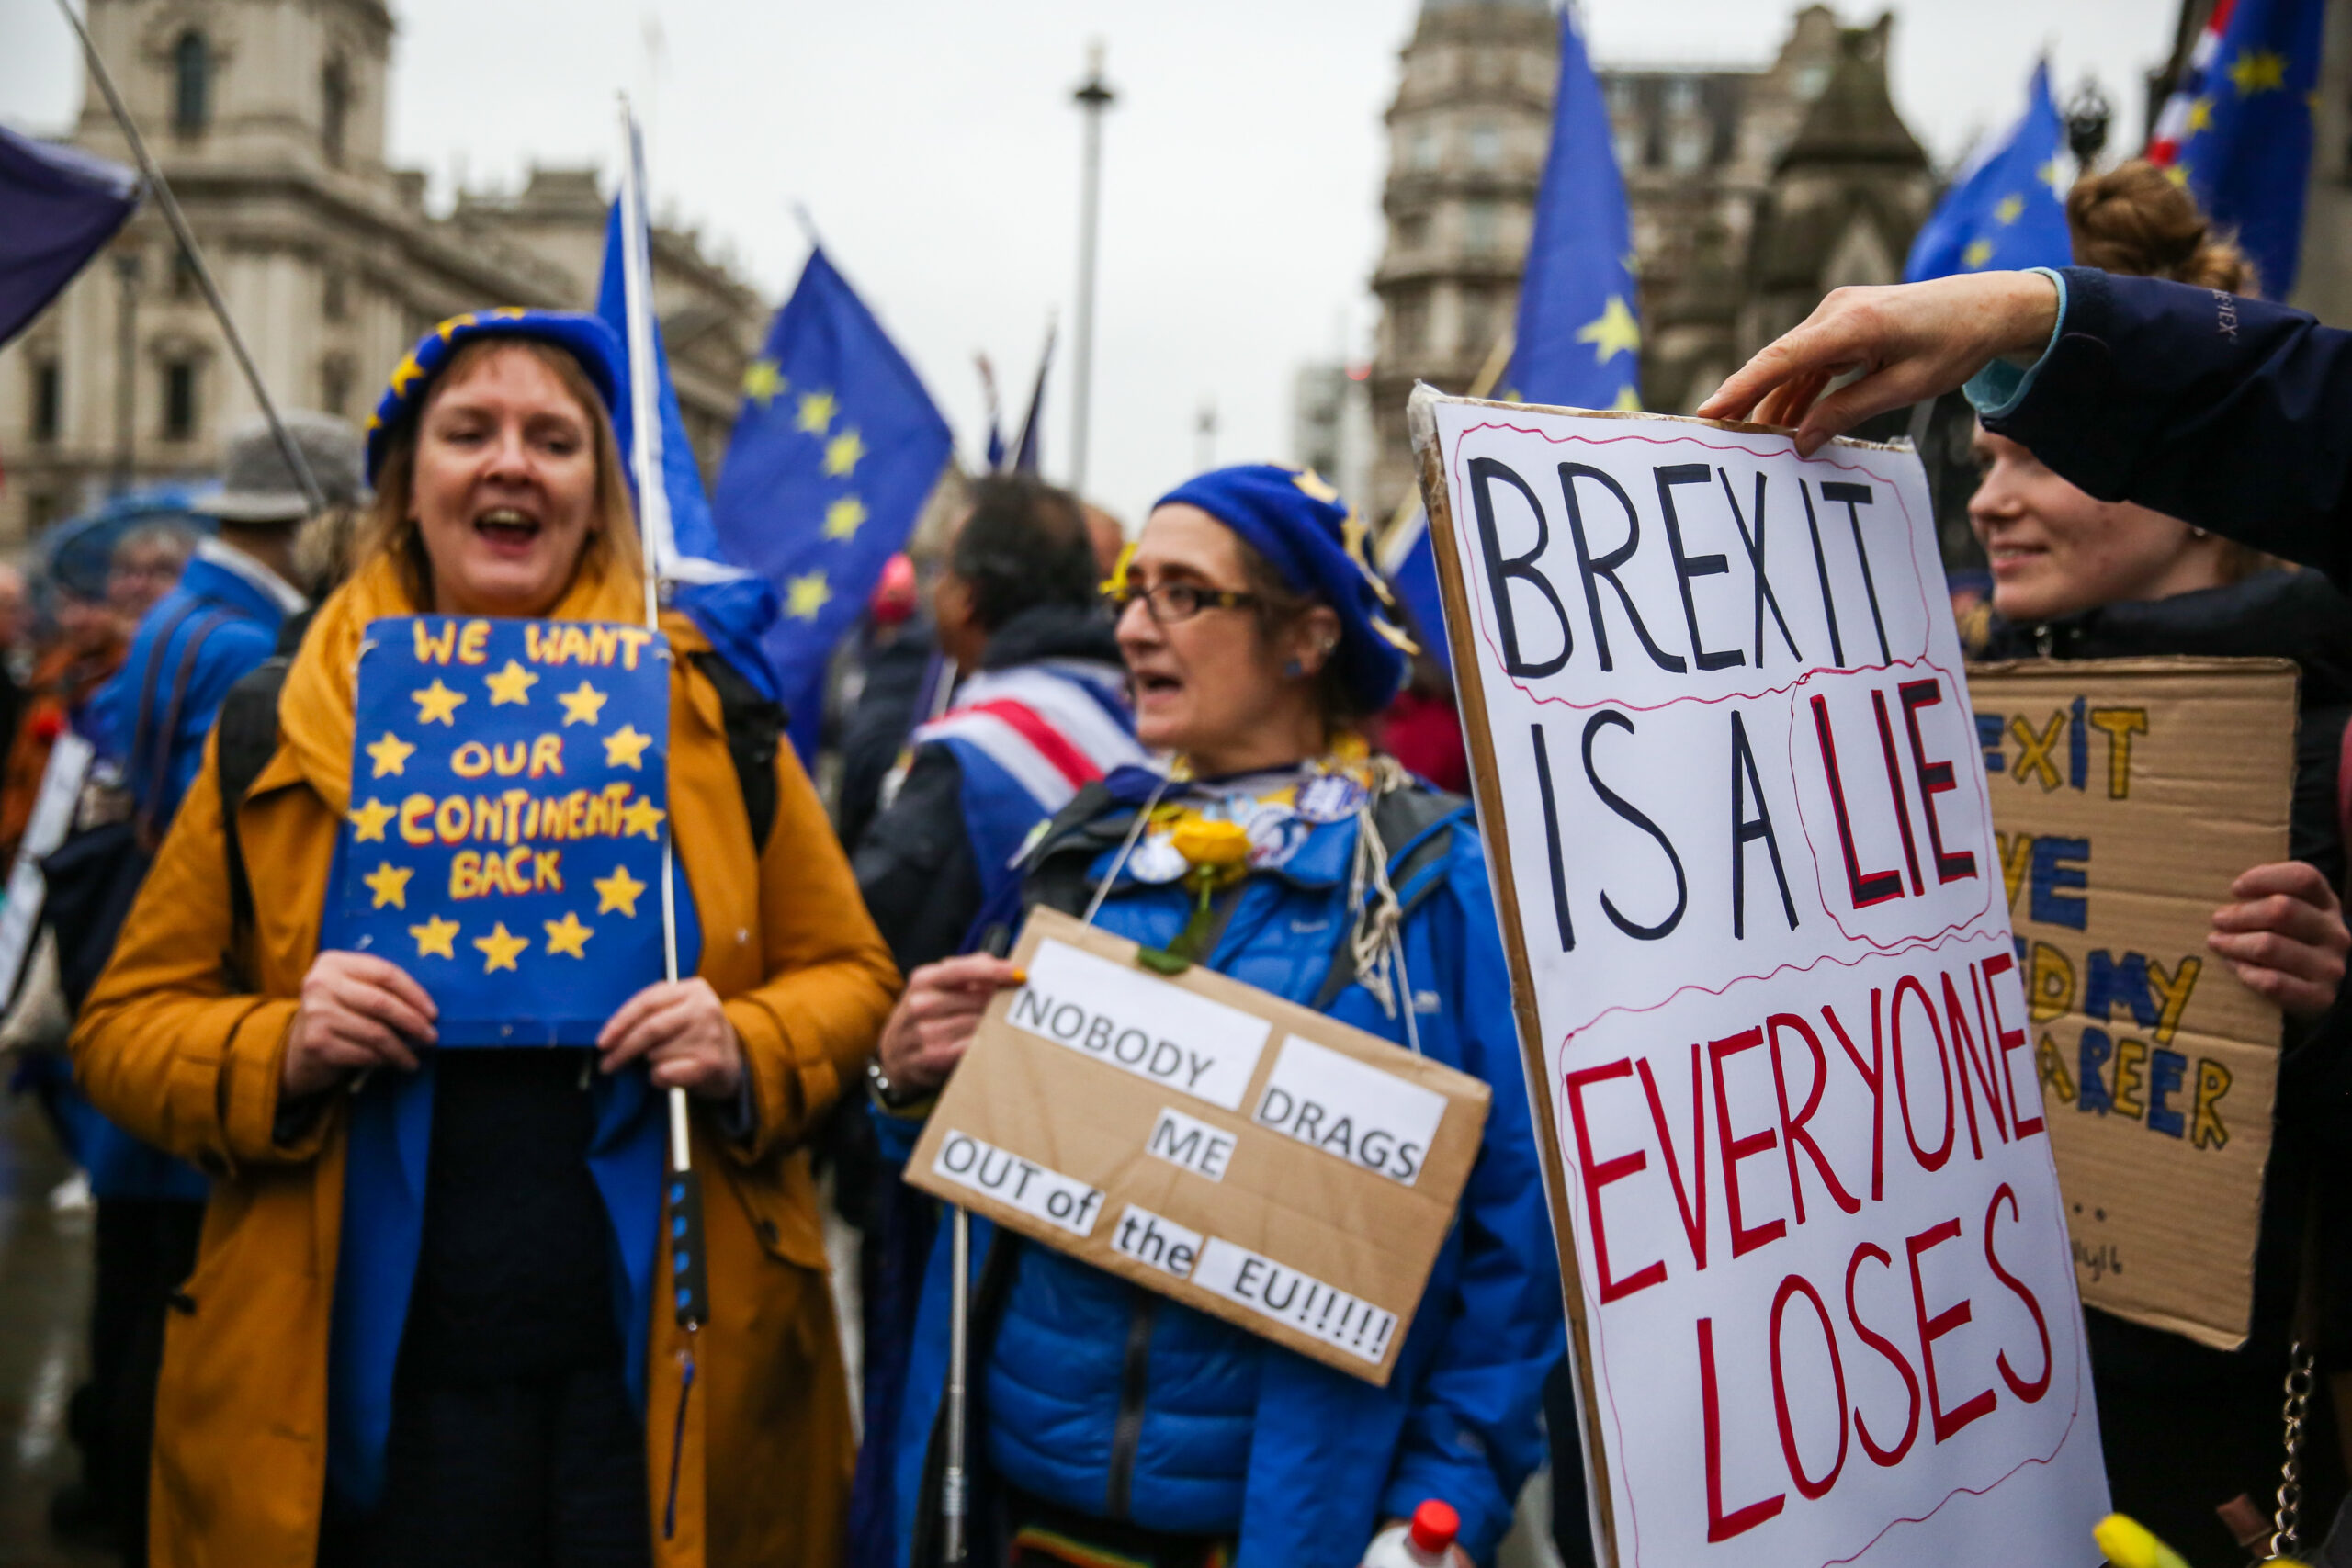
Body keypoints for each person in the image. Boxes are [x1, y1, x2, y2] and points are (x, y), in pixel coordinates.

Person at [70, 309, 899, 1567]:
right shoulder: (280, 717)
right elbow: (124, 1028)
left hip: (651, 1387)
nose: (512, 461)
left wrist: (745, 1038)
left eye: (554, 439)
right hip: (365, 1395)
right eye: (471, 431)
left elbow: (855, 978)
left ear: (599, 496)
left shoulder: (708, 708)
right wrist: (278, 1046)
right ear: (407, 489)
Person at [865, 465, 1559, 1568]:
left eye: (1183, 594)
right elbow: (962, 1159)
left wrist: (1446, 1499)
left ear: (1306, 636)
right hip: (1015, 1512)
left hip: (1279, 1525)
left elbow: (1518, 1239)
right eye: (1130, 592)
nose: (1135, 626)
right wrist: (904, 1082)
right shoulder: (1085, 848)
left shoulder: (1432, 881)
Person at [1952, 163, 2352, 1560]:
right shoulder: (1945, 729)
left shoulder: (2334, 732)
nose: (1989, 503)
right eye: (1984, 460)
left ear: (2187, 478)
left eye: (2037, 455)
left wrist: (2332, 1005)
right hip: (1973, 1417)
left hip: (2213, 1463)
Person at [49, 412, 369, 1566]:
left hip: (132, 976)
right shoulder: (248, 649)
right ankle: (133, 1497)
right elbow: (236, 859)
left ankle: (100, 1478)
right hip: (206, 1011)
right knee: (166, 1297)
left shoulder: (178, 614)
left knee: (128, 1273)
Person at [843, 475, 1141, 1562]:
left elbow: (871, 959)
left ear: (966, 603)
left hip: (965, 1183)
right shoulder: (1144, 717)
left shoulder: (968, 751)